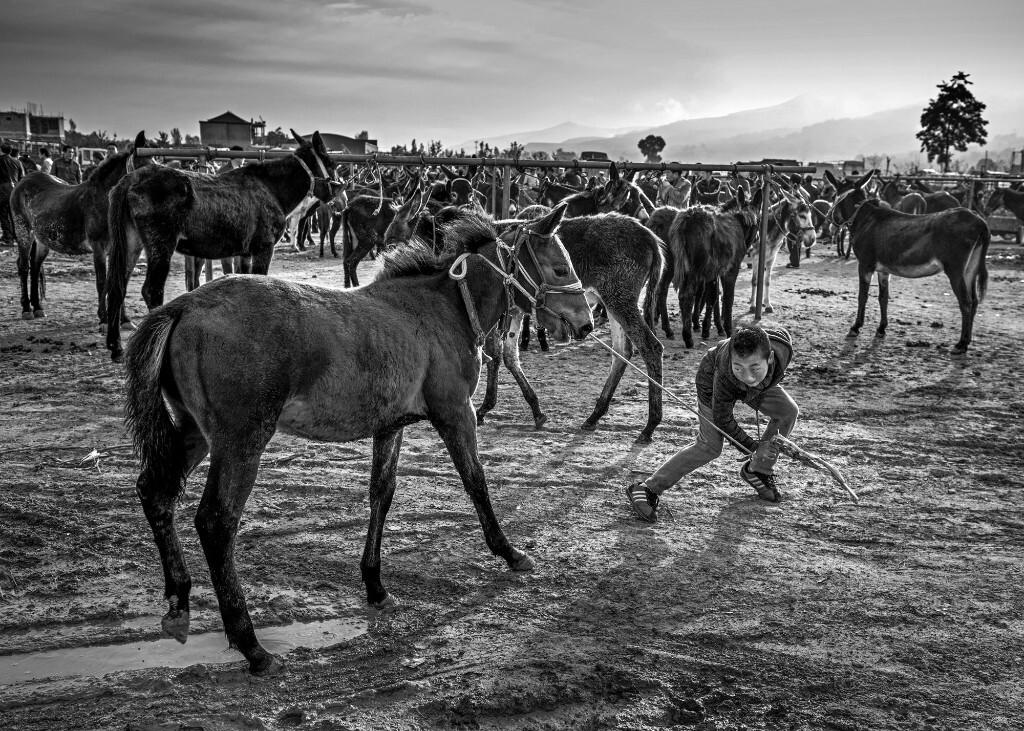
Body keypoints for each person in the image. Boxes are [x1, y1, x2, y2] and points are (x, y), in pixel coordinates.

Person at [625, 325, 798, 521]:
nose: (748, 376)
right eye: (739, 367)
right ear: (732, 361)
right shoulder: (724, 374)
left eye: (754, 367)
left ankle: (758, 469)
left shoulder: (783, 352)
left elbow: (753, 374)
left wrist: (754, 386)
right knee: (709, 446)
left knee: (788, 412)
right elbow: (723, 419)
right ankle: (648, 488)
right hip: (712, 381)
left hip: (757, 386)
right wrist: (755, 447)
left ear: (771, 358)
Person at [0, 142, 25, 244]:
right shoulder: (17, 162)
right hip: (15, 191)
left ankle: (7, 237)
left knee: (3, 215)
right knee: (14, 216)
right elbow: (22, 178)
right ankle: (16, 237)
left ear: (1, 150)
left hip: (2, 190)